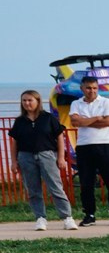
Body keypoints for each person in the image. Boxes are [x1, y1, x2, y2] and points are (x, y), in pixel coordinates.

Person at [67, 73, 109, 226]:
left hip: (105, 145)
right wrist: (97, 118)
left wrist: (85, 121)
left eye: (94, 88)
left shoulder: (106, 102)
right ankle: (89, 214)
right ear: (82, 88)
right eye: (88, 88)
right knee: (86, 183)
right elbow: (74, 122)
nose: (91, 91)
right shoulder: (76, 104)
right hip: (84, 147)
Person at [13, 89, 70, 230]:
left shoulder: (48, 118)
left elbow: (59, 138)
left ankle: (67, 217)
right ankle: (40, 218)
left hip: (47, 155)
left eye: (30, 100)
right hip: (26, 156)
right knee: (33, 189)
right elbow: (14, 142)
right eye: (24, 100)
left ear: (37, 101)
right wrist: (14, 161)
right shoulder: (19, 121)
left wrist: (61, 157)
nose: (27, 103)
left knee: (56, 187)